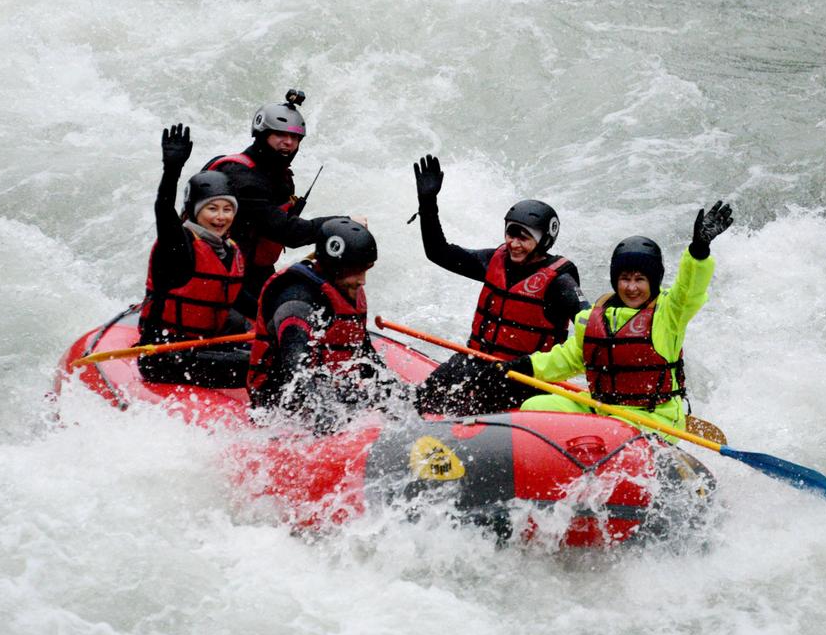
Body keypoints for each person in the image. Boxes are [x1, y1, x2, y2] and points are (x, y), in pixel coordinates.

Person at [504, 201, 734, 439]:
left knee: (614, 429)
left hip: (653, 418)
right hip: (602, 408)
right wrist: (522, 367)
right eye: (625, 279)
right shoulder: (594, 316)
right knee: (536, 407)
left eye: (640, 279)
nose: (632, 287)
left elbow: (690, 288)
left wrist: (698, 251)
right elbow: (568, 358)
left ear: (653, 282)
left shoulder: (670, 313)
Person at [408, 154, 588, 416]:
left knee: (478, 402)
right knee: (420, 402)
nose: (514, 243)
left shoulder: (560, 282)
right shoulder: (494, 260)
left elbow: (591, 326)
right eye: (511, 234)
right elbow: (438, 252)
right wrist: (428, 203)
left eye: (524, 237)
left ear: (543, 241)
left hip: (525, 377)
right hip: (476, 362)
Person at [247, 218, 408, 429]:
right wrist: (328, 416)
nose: (363, 280)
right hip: (278, 404)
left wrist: (398, 395)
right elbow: (296, 373)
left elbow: (365, 356)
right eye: (356, 270)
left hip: (330, 387)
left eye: (366, 269)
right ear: (335, 267)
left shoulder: (345, 289)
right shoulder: (296, 300)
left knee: (395, 398)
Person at [202, 90, 352, 317]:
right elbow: (288, 232)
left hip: (254, 271)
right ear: (262, 135)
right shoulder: (241, 178)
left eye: (295, 137)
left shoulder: (279, 177)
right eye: (280, 135)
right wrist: (343, 224)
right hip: (219, 275)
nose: (288, 142)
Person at [137, 123, 251, 387]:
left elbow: (240, 299)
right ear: (195, 211)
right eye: (212, 208)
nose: (221, 217)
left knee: (251, 336)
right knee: (261, 364)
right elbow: (164, 211)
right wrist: (171, 171)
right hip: (166, 356)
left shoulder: (230, 250)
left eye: (227, 209)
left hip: (204, 347)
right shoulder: (178, 245)